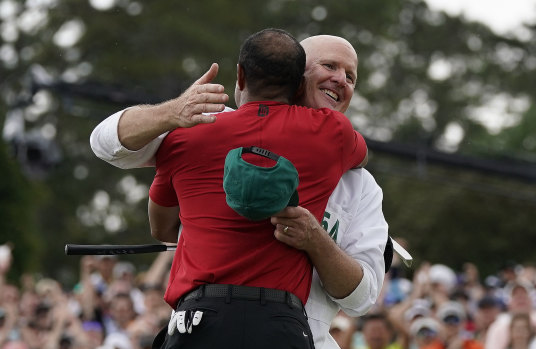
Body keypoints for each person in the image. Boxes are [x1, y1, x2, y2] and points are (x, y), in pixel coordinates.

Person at [90, 32, 388, 349]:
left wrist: (317, 241)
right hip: (275, 328)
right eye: (329, 65)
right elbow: (106, 143)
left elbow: (363, 299)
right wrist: (174, 111)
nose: (341, 79)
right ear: (296, 79)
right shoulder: (198, 119)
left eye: (351, 76)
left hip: (222, 324)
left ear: (241, 76)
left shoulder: (361, 184)